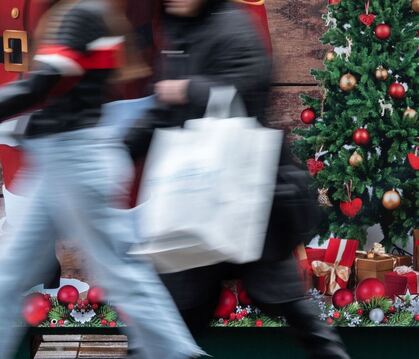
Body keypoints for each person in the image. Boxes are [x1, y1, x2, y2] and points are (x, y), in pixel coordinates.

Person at [125, 0, 350, 358]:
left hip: (248, 201)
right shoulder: (177, 33)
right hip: (195, 205)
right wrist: (120, 148)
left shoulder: (234, 24)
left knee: (293, 310)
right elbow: (162, 112)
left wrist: (188, 90)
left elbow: (251, 90)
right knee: (166, 322)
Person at [0, 1, 204, 358]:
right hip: (59, 158)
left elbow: (42, 85)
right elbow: (61, 94)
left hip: (74, 159)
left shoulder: (83, 15)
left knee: (121, 273)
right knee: (12, 274)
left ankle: (179, 354)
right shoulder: (87, 13)